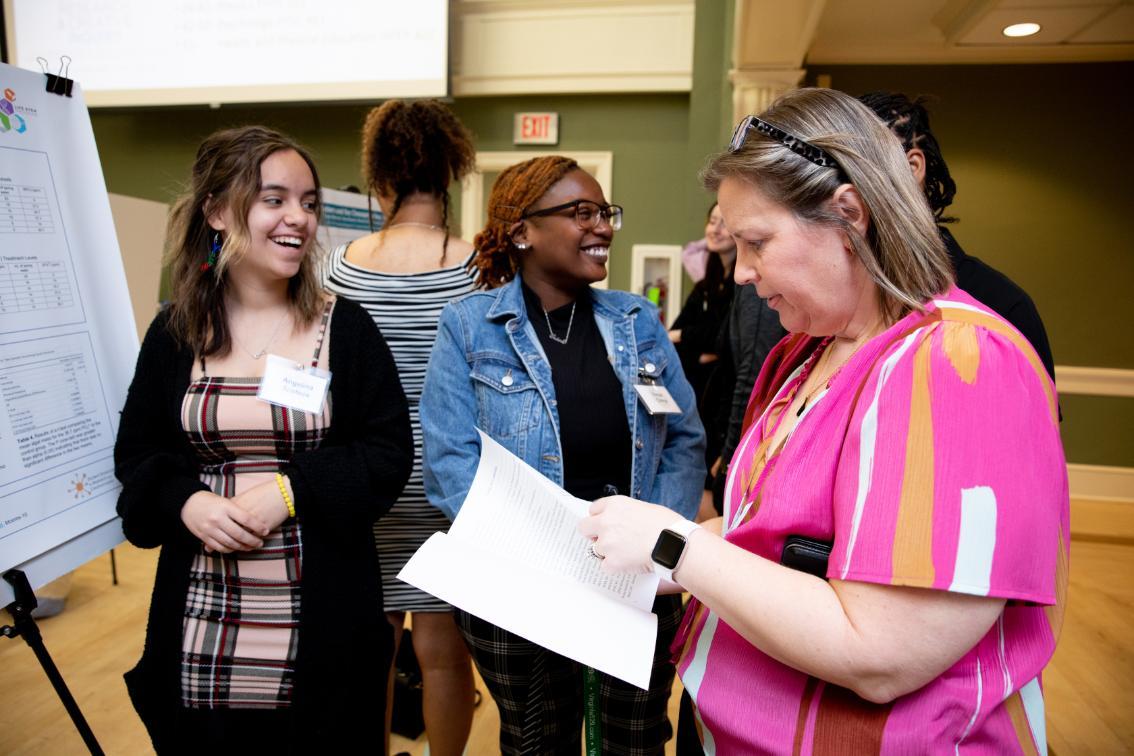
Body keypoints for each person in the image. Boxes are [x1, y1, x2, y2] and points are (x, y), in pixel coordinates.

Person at [580, 89, 1069, 753]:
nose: (743, 273)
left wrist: (678, 547)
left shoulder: (959, 363)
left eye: (757, 242)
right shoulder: (801, 352)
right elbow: (776, 531)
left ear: (850, 215)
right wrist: (671, 549)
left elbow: (883, 652)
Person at [114, 126, 413, 754]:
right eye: (273, 199)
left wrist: (291, 489)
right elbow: (138, 454)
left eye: (308, 203)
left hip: (322, 623)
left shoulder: (346, 328)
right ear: (219, 211)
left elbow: (388, 453)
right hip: (204, 624)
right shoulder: (175, 332)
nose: (298, 219)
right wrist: (187, 502)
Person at [419, 155, 705, 755]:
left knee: (635, 740)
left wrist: (657, 549)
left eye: (606, 213)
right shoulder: (469, 327)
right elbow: (451, 466)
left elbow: (683, 439)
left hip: (635, 579)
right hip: (520, 582)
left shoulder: (637, 321)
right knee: (536, 740)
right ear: (522, 231)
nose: (601, 226)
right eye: (582, 213)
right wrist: (555, 556)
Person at [322, 99, 478, 756]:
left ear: (380, 180)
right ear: (449, 175)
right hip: (448, 480)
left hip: (371, 480)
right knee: (442, 653)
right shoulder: (477, 266)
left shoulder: (342, 267)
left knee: (375, 648)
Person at [860, 91, 1056, 381]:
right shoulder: (836, 307)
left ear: (912, 168)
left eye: (858, 168)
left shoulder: (1001, 305)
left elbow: (1036, 424)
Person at [669, 203, 736, 403]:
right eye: (712, 222)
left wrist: (684, 335)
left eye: (723, 224)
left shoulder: (746, 286)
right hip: (697, 393)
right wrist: (699, 356)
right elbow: (670, 340)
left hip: (725, 395)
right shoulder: (705, 285)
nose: (715, 230)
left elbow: (725, 338)